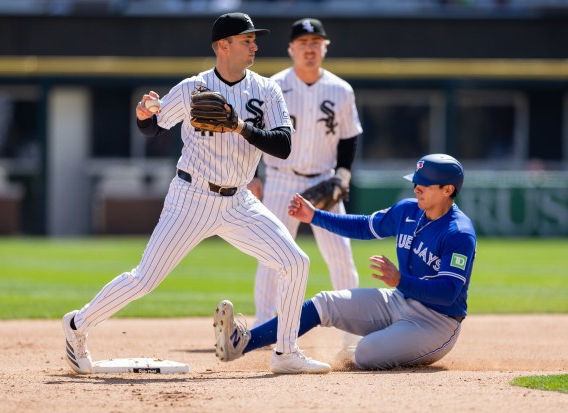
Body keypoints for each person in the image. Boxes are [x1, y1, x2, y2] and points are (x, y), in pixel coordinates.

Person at [63, 12, 330, 375]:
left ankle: (285, 352)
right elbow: (152, 127)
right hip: (192, 197)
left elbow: (283, 145)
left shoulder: (267, 90)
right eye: (246, 39)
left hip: (239, 202)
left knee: (295, 262)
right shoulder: (193, 88)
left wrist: (239, 126)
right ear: (223, 46)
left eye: (254, 39)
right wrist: (143, 114)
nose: (254, 45)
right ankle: (77, 325)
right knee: (145, 279)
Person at [214, 154, 476, 370]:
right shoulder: (408, 210)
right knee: (323, 303)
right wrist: (315, 216)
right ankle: (242, 342)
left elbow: (448, 292)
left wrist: (400, 280)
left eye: (425, 184)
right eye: (416, 181)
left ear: (448, 189)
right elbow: (363, 226)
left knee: (365, 352)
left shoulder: (458, 233)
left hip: (435, 322)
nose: (416, 188)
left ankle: (396, 342)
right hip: (399, 299)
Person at [250, 18, 362, 348]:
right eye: (303, 43)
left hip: (325, 183)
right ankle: (264, 328)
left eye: (316, 43)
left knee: (341, 257)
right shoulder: (274, 86)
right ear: (291, 49)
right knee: (272, 256)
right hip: (282, 180)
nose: (309, 49)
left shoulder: (341, 89)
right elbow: (256, 135)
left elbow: (349, 136)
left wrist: (343, 173)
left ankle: (351, 334)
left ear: (325, 48)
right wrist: (253, 175)